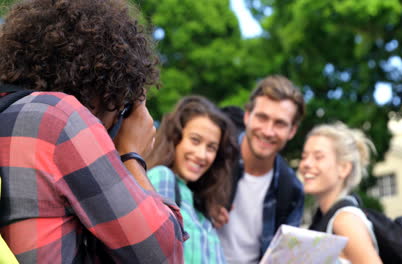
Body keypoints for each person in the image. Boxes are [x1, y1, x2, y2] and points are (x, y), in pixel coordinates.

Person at [0, 0, 186, 263]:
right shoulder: (60, 118)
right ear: (105, 88)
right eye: (120, 107)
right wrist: (131, 155)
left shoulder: (10, 109)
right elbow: (164, 253)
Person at [213, 75, 306, 263]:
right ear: (247, 116)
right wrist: (202, 207)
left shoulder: (292, 191)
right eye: (262, 118)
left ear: (292, 131)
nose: (268, 131)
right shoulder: (213, 157)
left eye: (280, 123)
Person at [147, 96, 238, 263]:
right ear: (176, 138)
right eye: (195, 140)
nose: (201, 155)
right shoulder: (163, 177)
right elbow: (157, 251)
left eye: (211, 147)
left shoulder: (201, 208)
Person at [298, 122, 382, 264]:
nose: (306, 164)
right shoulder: (321, 217)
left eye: (318, 157)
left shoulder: (345, 220)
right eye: (304, 156)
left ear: (343, 168)